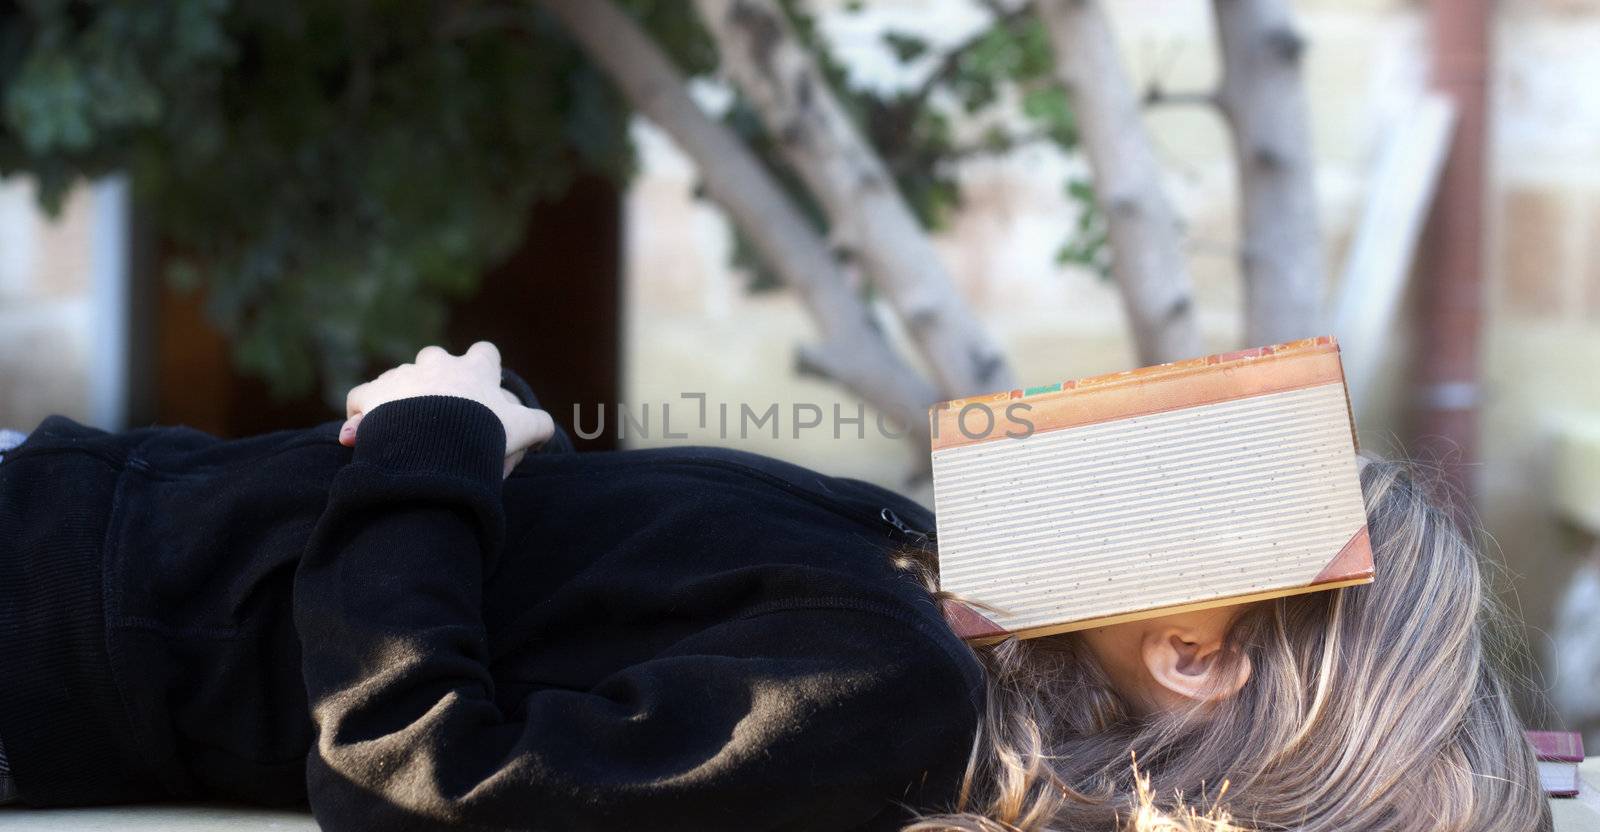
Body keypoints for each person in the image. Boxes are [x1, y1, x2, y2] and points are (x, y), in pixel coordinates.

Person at [0, 342, 1550, 832]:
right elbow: (596, 575)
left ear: (1197, 654)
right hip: (77, 524)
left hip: (47, 613)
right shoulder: (914, 579)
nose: (1156, 425)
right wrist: (502, 435)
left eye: (1214, 484)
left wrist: (431, 441)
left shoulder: (891, 697)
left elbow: (419, 764)